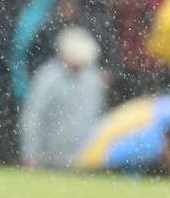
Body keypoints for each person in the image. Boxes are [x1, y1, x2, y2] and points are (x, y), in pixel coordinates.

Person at [20, 26, 107, 170]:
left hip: (85, 159)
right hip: (49, 158)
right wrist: (30, 154)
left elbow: (98, 116)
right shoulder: (47, 78)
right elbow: (33, 117)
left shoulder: (94, 80)